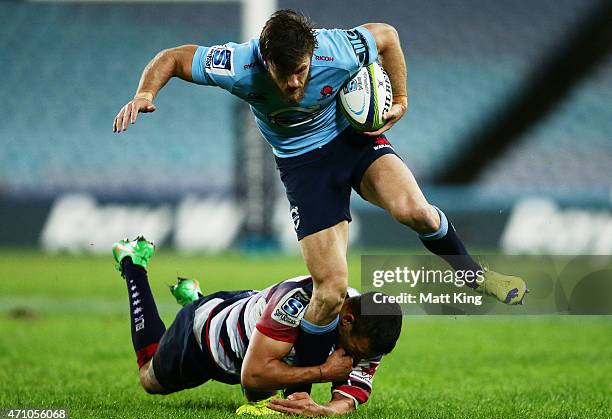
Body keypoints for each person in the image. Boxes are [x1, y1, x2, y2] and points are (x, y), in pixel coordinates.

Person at [113, 9, 527, 387]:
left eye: (302, 71)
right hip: (303, 168)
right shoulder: (240, 65)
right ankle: (296, 391)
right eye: (284, 73)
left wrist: (400, 99)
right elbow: (172, 57)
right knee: (330, 290)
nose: (294, 83)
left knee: (414, 210)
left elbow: (387, 36)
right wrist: (146, 94)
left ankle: (473, 274)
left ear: (313, 53)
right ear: (265, 60)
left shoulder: (337, 48)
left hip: (353, 142)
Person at [112, 236, 402, 417]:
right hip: (207, 338)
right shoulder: (298, 302)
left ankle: (195, 297)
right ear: (347, 319)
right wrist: (324, 372)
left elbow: (348, 398)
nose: (357, 359)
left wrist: (323, 411)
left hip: (249, 314)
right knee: (149, 378)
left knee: (278, 370)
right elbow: (252, 379)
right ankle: (133, 261)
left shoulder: (370, 329)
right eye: (355, 350)